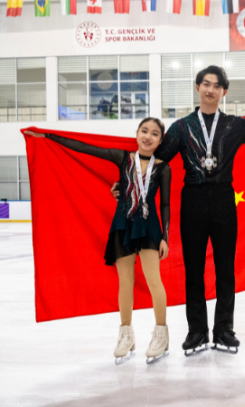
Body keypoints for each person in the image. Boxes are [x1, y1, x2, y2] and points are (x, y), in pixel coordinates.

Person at [113, 66, 245, 357]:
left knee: (226, 269)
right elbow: (154, 161)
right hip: (193, 201)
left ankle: (224, 330)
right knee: (194, 270)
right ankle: (196, 332)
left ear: (224, 92)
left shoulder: (234, 125)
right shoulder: (181, 127)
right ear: (198, 87)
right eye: (206, 84)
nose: (211, 90)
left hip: (225, 200)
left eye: (217, 86)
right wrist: (127, 183)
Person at [25, 118, 172, 366]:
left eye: (155, 134)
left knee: (153, 281)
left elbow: (165, 203)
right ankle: (126, 333)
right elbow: (85, 148)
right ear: (136, 134)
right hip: (122, 226)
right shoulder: (122, 157)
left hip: (149, 228)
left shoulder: (163, 167)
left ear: (160, 140)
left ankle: (161, 334)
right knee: (124, 283)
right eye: (144, 131)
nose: (148, 137)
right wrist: (49, 137)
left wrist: (165, 236)